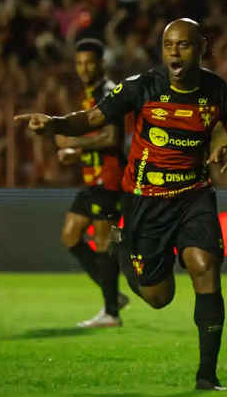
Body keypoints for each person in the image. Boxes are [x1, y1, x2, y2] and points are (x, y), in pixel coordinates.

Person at [15, 19, 227, 391]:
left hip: (194, 194)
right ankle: (126, 254)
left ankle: (207, 375)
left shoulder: (223, 93)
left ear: (202, 48)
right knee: (159, 298)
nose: (174, 52)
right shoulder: (141, 87)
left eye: (183, 45)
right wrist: (55, 124)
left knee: (205, 266)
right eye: (168, 45)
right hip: (145, 201)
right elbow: (93, 118)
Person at [55, 38, 128, 328]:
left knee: (103, 243)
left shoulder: (109, 93)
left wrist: (76, 145)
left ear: (102, 64)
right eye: (80, 63)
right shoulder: (89, 95)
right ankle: (112, 295)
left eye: (90, 63)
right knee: (71, 235)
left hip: (110, 179)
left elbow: (112, 138)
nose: (84, 68)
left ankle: (111, 313)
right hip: (92, 179)